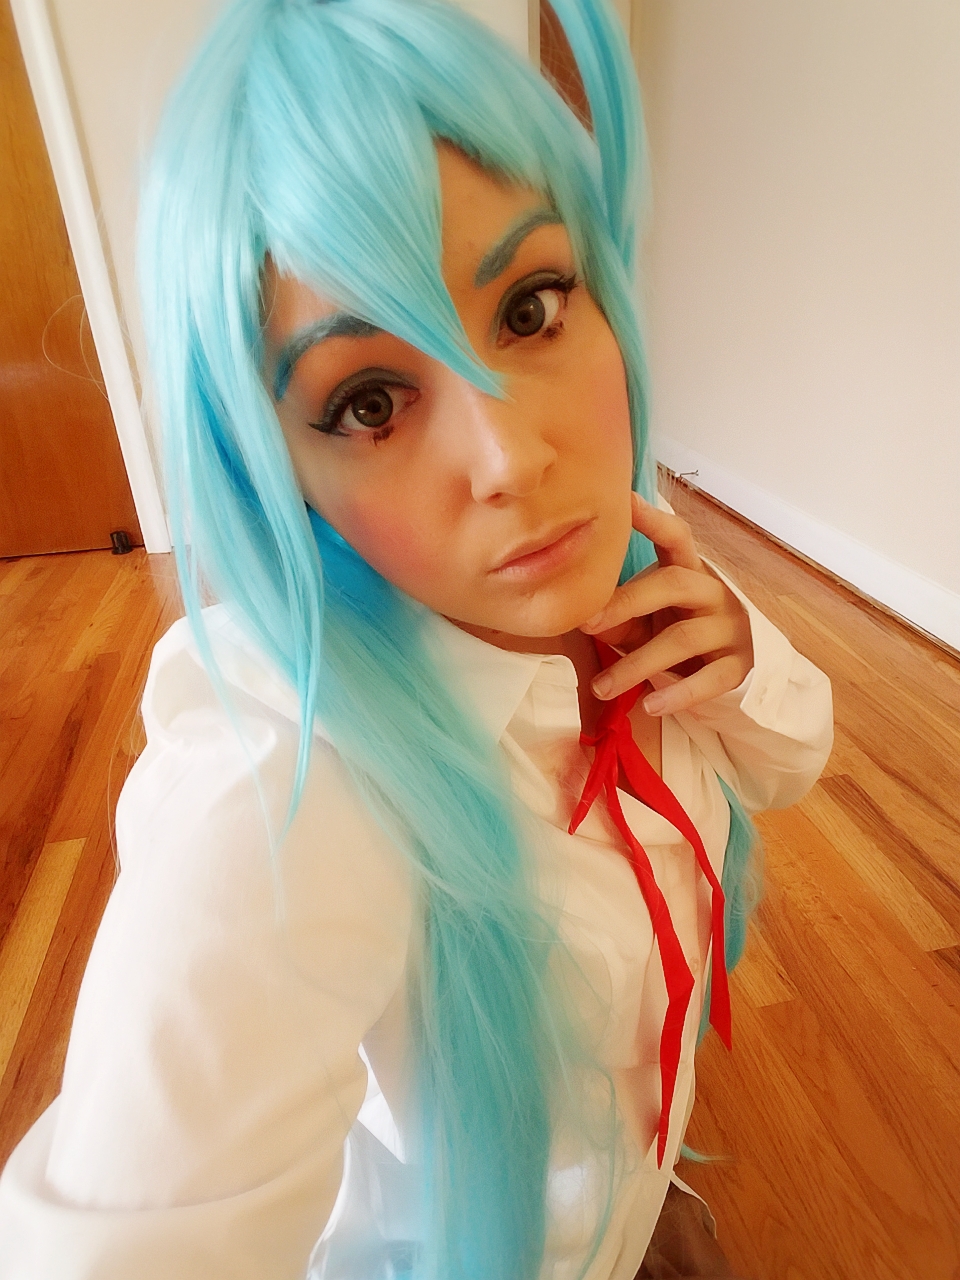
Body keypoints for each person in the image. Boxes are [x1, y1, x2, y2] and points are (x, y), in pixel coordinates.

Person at [0, 1, 833, 1277]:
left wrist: (739, 661)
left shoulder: (641, 580)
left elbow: (791, 762)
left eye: (532, 307)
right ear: (280, 466)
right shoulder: (290, 790)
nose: (511, 459)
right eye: (371, 400)